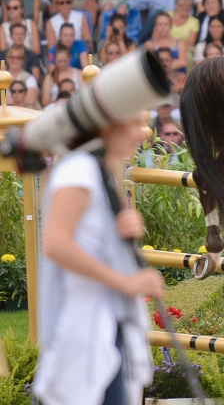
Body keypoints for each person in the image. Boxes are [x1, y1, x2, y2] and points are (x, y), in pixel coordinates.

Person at [32, 109, 164, 405]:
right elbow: (55, 244)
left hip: (105, 321)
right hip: (87, 326)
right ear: (108, 129)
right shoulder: (80, 170)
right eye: (134, 124)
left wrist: (121, 229)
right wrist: (126, 282)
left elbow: (89, 239)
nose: (142, 134)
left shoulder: (95, 169)